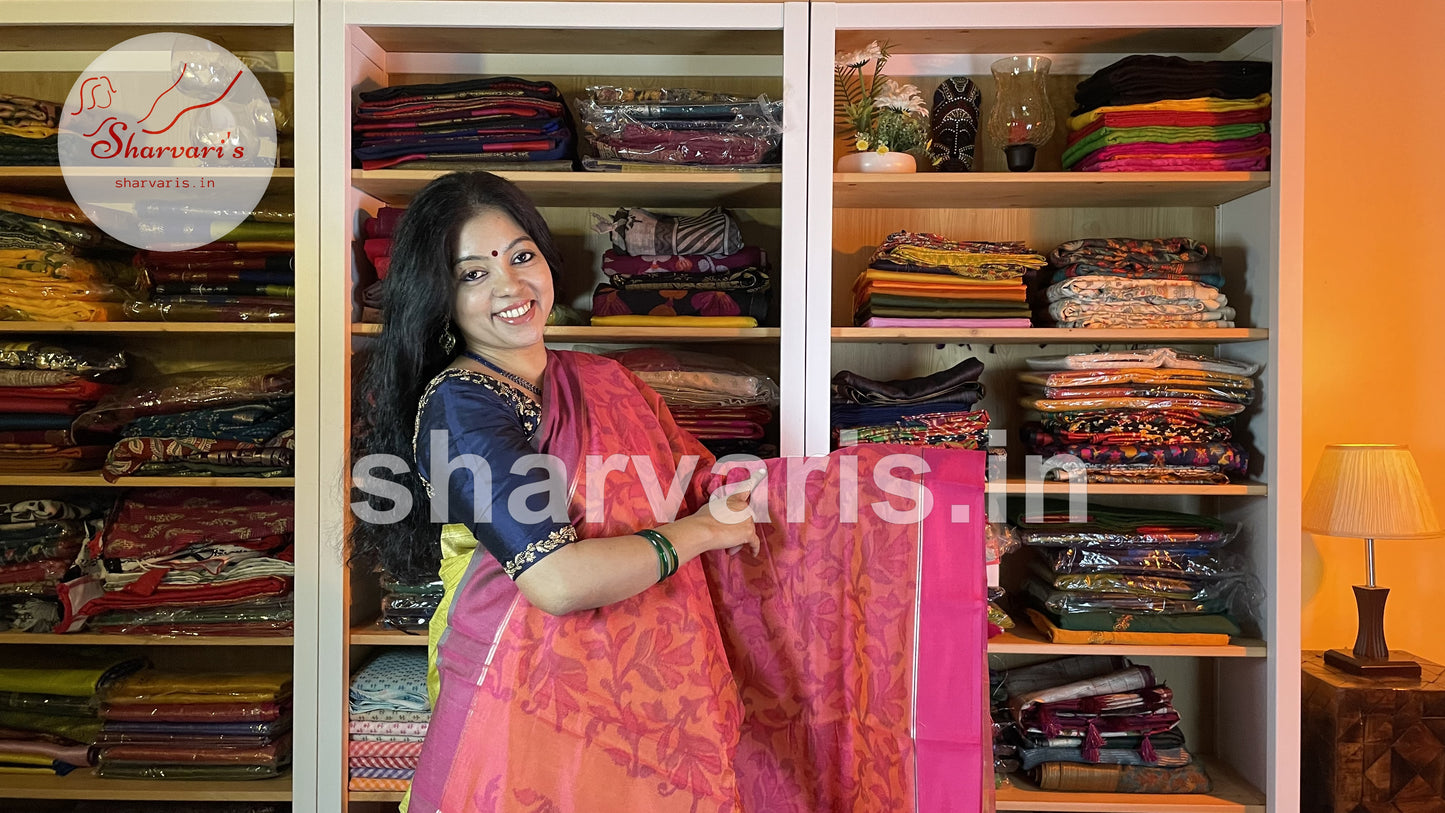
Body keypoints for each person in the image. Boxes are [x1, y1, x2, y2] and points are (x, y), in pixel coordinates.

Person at [351, 171, 988, 813]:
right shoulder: (463, 408)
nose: (510, 285)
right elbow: (556, 580)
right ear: (439, 296)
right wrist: (702, 533)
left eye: (521, 256)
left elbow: (702, 486)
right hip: (524, 703)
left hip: (652, 697)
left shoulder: (600, 378)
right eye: (473, 274)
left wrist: (906, 510)